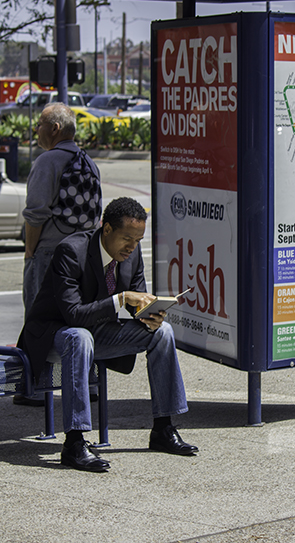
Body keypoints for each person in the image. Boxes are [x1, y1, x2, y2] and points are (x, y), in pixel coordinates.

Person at [17, 197, 198, 472]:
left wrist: (149, 315)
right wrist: (121, 299)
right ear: (107, 229)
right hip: (54, 334)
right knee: (80, 336)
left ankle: (163, 428)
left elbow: (136, 301)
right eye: (127, 238)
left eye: (138, 240)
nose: (132, 247)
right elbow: (73, 314)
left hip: (96, 334)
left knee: (164, 333)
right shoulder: (71, 251)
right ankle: (75, 443)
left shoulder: (132, 255)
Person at [15, 102, 102, 407]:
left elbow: (36, 214)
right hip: (82, 255)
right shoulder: (90, 163)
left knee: (39, 318)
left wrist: (29, 251)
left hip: (50, 251)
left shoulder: (47, 161)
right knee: (79, 317)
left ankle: (36, 387)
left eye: (39, 124)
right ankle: (89, 385)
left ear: (54, 129)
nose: (35, 129)